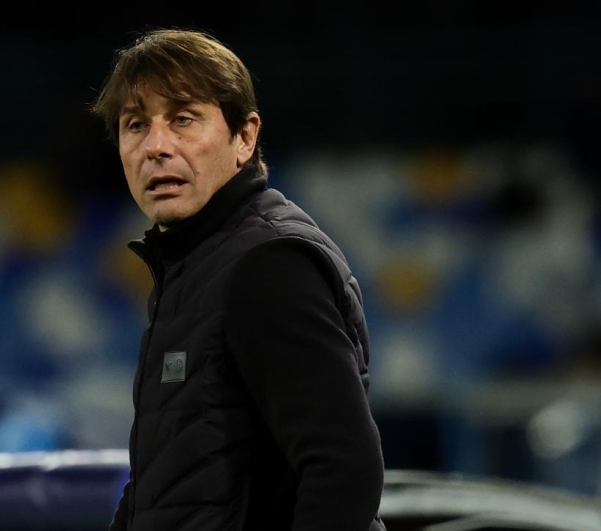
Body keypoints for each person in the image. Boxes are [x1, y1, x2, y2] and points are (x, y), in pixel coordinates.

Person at [89, 27, 386, 531]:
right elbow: (165, 488)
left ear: (244, 137)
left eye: (183, 120)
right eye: (135, 124)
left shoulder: (268, 264)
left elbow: (344, 472)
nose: (156, 146)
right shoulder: (193, 265)